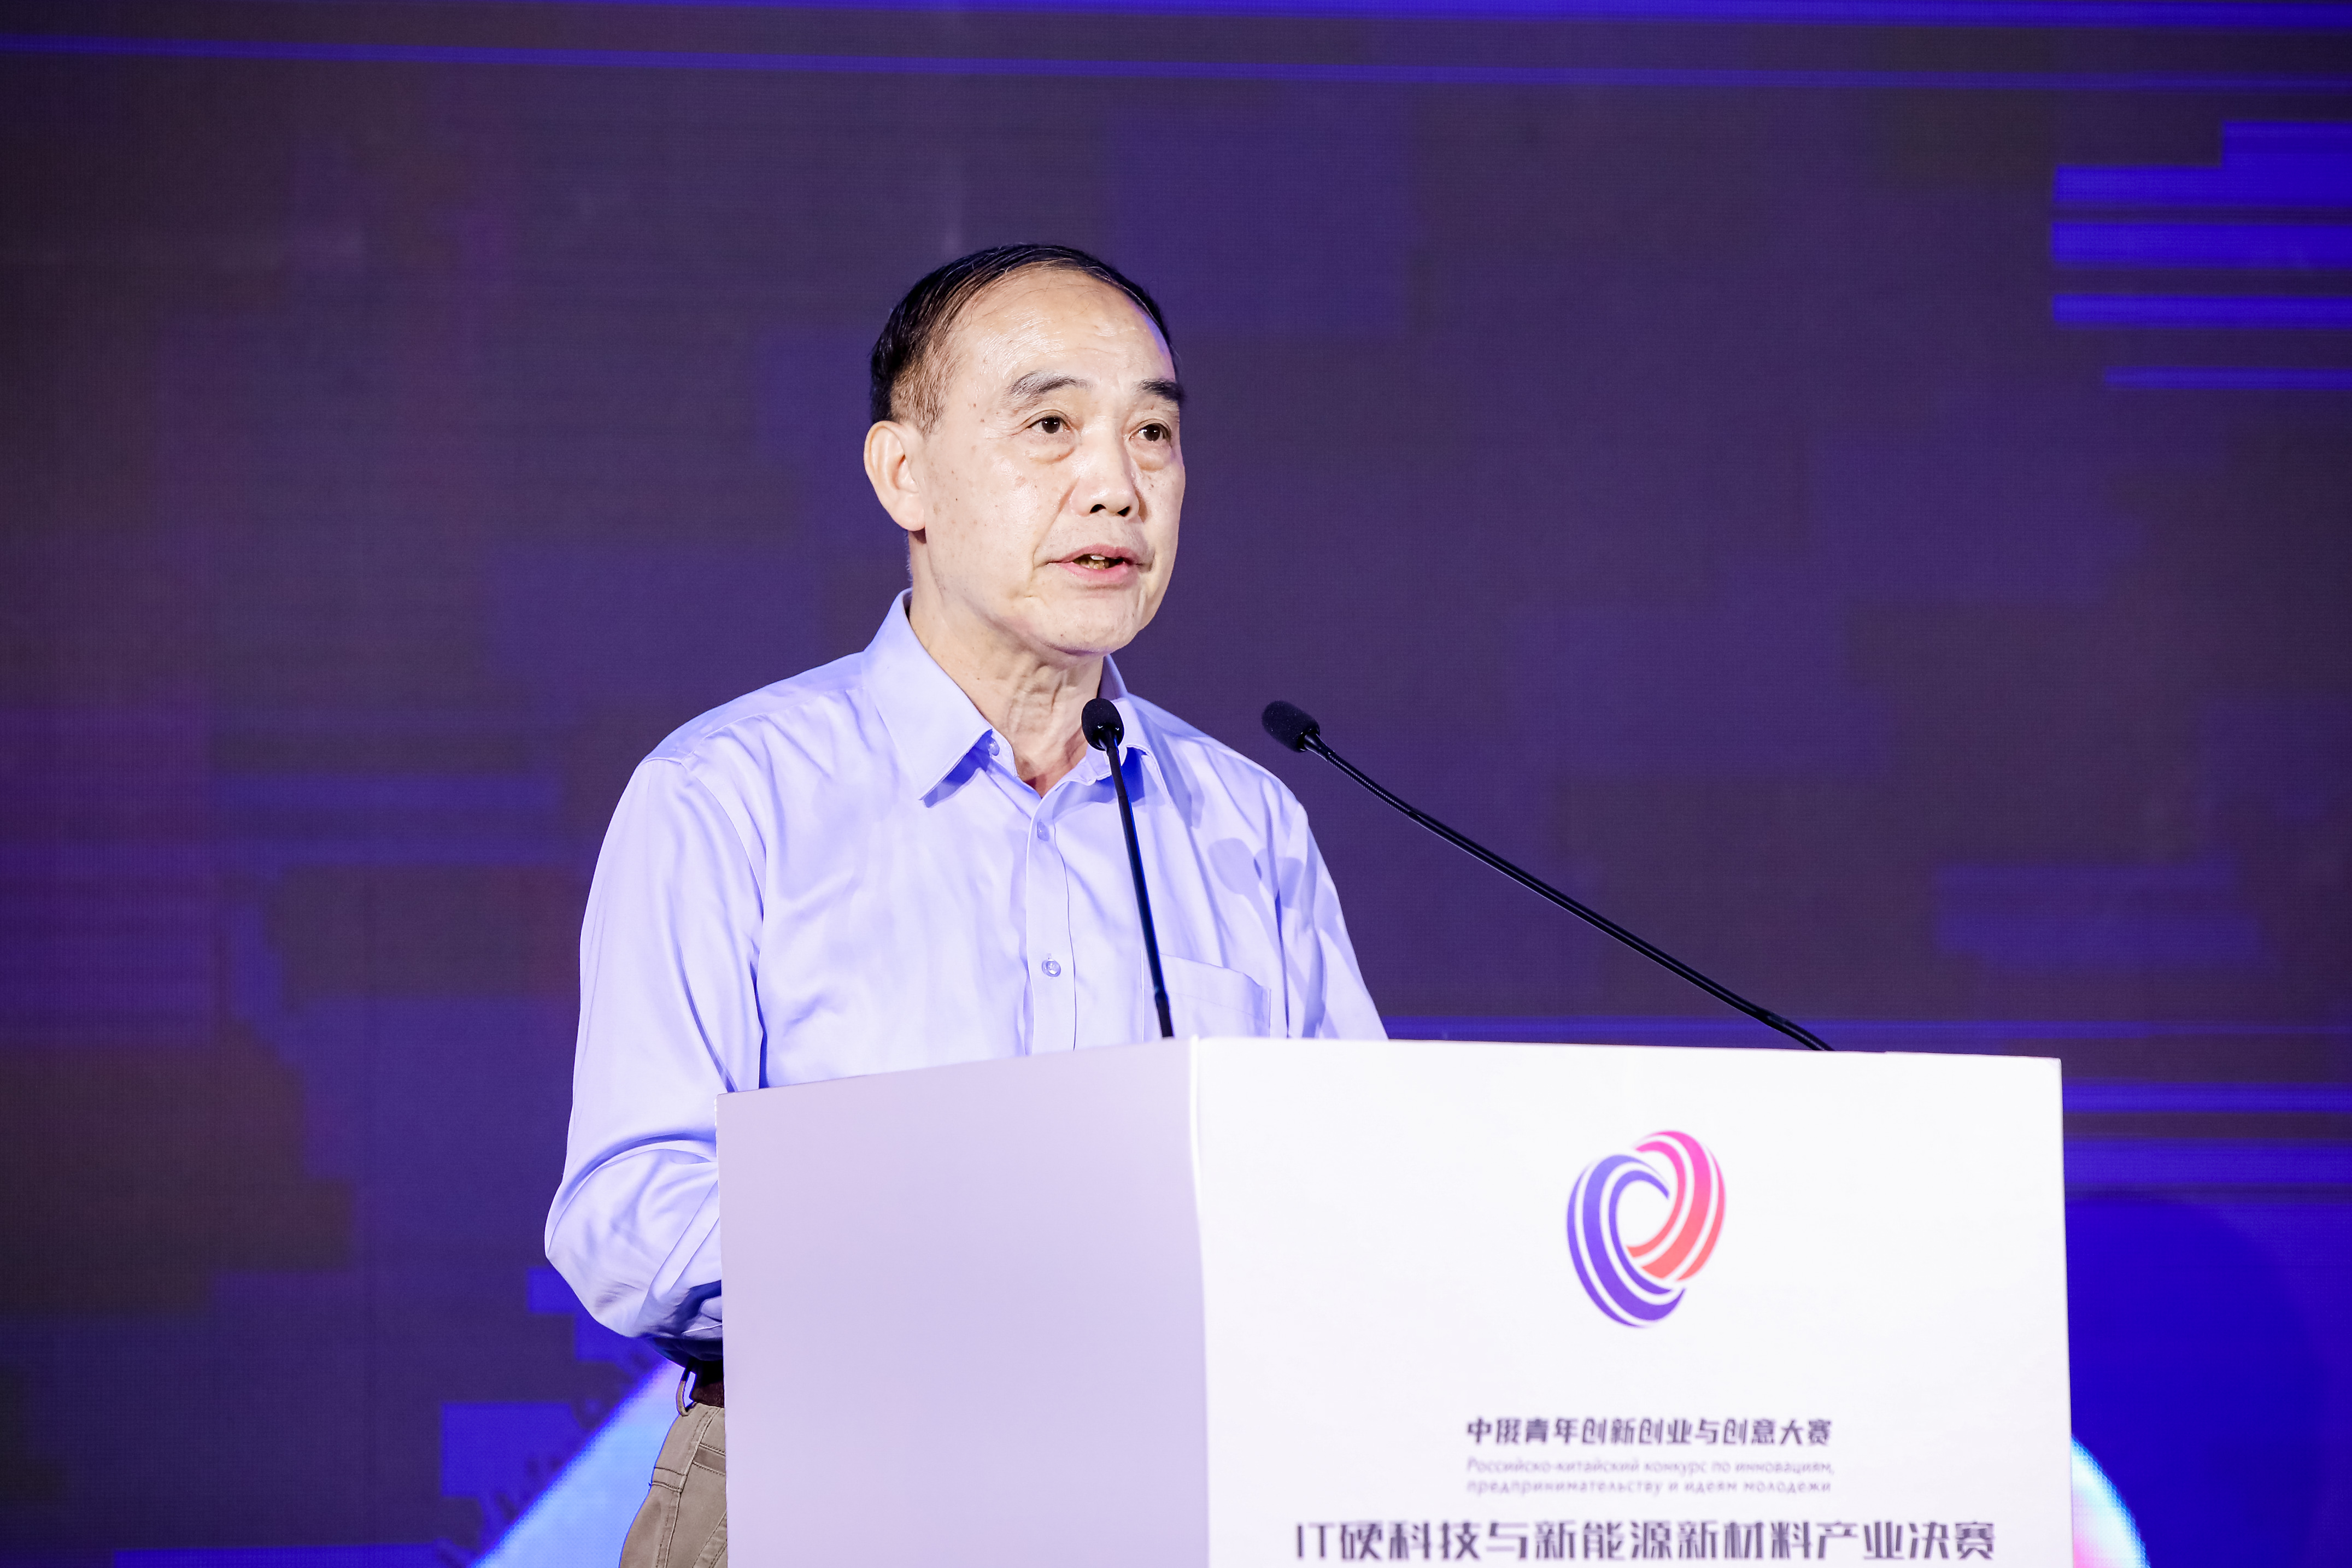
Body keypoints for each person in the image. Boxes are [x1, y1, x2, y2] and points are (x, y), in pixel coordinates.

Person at [545, 244, 1383, 1567]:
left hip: (1165, 1498)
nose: (1116, 484)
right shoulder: (729, 795)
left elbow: (1355, 1199)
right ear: (905, 475)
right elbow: (630, 1219)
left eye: (1153, 434)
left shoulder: (1244, 823)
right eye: (1049, 426)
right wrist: (966, 1270)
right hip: (821, 1478)